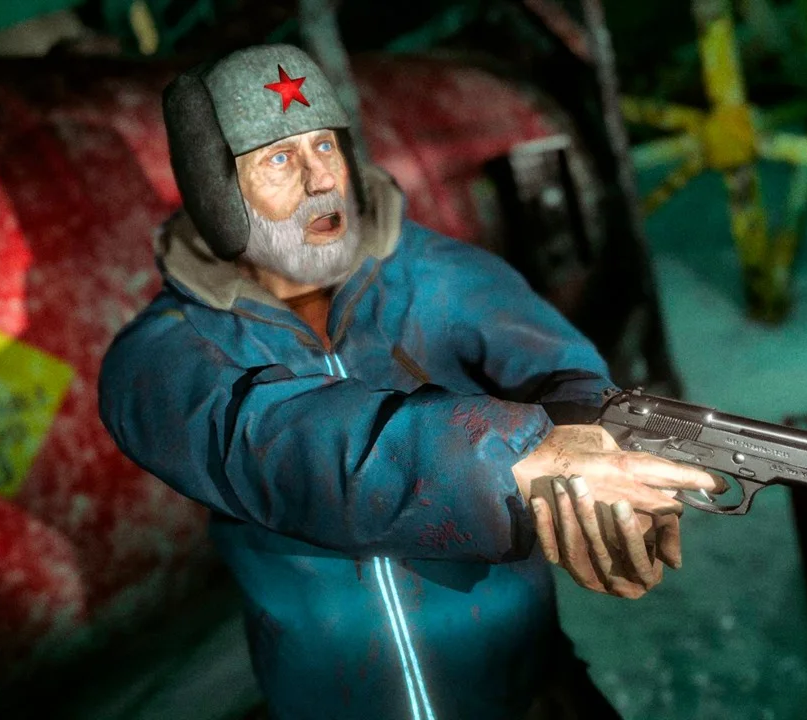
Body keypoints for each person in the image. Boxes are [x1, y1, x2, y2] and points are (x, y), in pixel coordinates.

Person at [99, 43, 719, 720]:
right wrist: (514, 461)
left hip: (527, 685)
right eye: (278, 159)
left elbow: (561, 368)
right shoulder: (164, 357)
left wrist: (595, 456)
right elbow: (280, 444)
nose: (320, 179)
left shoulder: (437, 272)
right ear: (217, 194)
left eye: (325, 146)